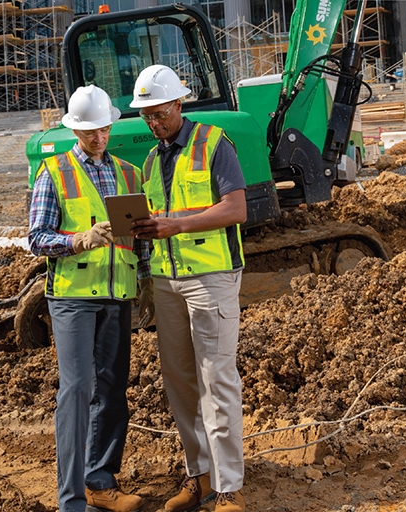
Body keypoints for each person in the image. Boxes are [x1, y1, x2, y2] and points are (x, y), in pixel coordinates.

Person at [127, 64, 248, 512]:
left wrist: (175, 225)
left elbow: (235, 209)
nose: (154, 123)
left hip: (210, 279)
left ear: (179, 104)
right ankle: (199, 477)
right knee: (179, 382)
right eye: (147, 117)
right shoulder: (151, 160)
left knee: (216, 380)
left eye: (159, 114)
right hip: (166, 281)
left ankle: (229, 487)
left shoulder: (214, 144)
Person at [27, 84, 152, 512]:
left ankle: (100, 481)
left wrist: (146, 277)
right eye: (89, 132)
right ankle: (72, 501)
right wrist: (78, 239)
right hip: (74, 297)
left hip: (117, 294)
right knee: (77, 390)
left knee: (113, 388)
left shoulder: (129, 174)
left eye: (104, 130)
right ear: (75, 130)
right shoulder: (55, 172)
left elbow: (139, 237)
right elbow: (37, 238)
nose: (99, 138)